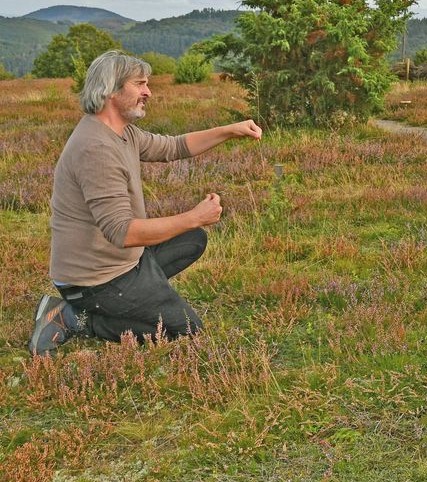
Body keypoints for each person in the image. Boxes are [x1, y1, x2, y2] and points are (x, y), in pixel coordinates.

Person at [28, 50, 262, 356]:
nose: (147, 91)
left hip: (121, 263)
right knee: (186, 328)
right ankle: (75, 317)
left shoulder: (123, 133)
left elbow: (174, 146)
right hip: (94, 281)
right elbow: (123, 233)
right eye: (139, 84)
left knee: (191, 240)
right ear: (111, 90)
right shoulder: (96, 148)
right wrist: (195, 215)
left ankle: (140, 294)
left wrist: (229, 130)